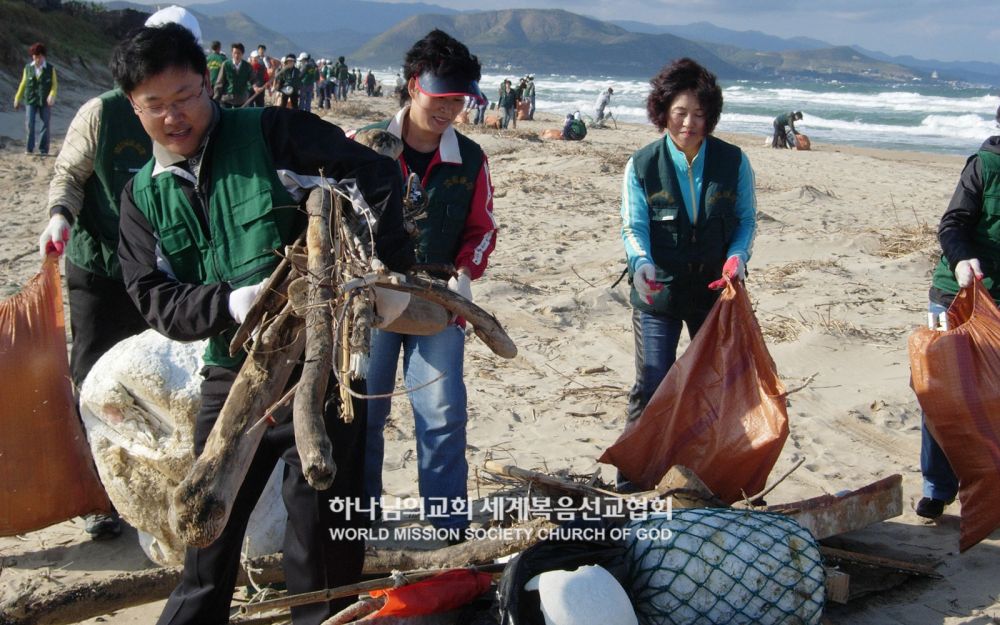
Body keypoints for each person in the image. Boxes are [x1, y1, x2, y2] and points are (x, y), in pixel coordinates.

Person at [110, 23, 413, 625]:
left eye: (187, 96)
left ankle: (324, 616)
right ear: (133, 107)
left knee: (321, 534)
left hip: (321, 367)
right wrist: (229, 303)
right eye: (156, 105)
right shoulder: (142, 197)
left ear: (209, 84)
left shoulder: (272, 134)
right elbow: (154, 299)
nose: (175, 116)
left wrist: (379, 274)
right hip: (232, 369)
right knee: (208, 529)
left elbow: (374, 179)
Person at [35, 4, 200, 541]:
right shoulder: (102, 114)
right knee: (91, 376)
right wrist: (60, 217)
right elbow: (70, 174)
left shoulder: (197, 116)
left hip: (167, 274)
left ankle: (160, 485)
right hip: (100, 267)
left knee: (160, 382)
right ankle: (100, 495)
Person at [358, 28, 497, 536]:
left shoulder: (471, 159)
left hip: (439, 301)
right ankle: (363, 528)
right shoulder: (367, 144)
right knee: (364, 417)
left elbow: (483, 228)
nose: (449, 109)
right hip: (370, 301)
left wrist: (465, 275)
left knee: (441, 412)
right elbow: (332, 217)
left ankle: (446, 528)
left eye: (459, 100)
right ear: (414, 85)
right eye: (441, 97)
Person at [618, 58, 757, 487]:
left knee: (711, 385)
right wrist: (640, 264)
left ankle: (704, 475)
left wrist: (737, 258)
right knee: (653, 380)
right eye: (680, 112)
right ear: (664, 112)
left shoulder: (734, 162)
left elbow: (745, 221)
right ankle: (633, 476)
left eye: (699, 114)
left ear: (710, 116)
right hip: (658, 291)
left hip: (715, 292)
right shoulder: (642, 165)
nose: (689, 123)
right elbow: (633, 225)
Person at [915, 110, 1000, 519]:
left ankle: (985, 495)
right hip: (954, 294)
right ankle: (937, 488)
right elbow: (953, 223)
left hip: (997, 306)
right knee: (940, 395)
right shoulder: (983, 166)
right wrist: (963, 259)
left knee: (991, 401)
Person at [13, 42, 57, 156]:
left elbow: (54, 85)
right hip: (31, 99)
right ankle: (29, 148)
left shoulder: (50, 69)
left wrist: (52, 95)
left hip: (45, 100)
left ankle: (43, 150)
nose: (36, 59)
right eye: (34, 56)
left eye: (38, 56)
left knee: (45, 124)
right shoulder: (28, 68)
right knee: (29, 123)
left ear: (43, 56)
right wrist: (17, 98)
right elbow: (23, 84)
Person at [214, 42, 253, 108]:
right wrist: (216, 98)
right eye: (235, 53)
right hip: (227, 98)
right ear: (232, 53)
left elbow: (253, 79)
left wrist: (254, 87)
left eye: (239, 53)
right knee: (226, 117)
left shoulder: (247, 66)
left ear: (242, 54)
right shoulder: (226, 64)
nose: (236, 55)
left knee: (240, 117)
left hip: (241, 99)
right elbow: (220, 82)